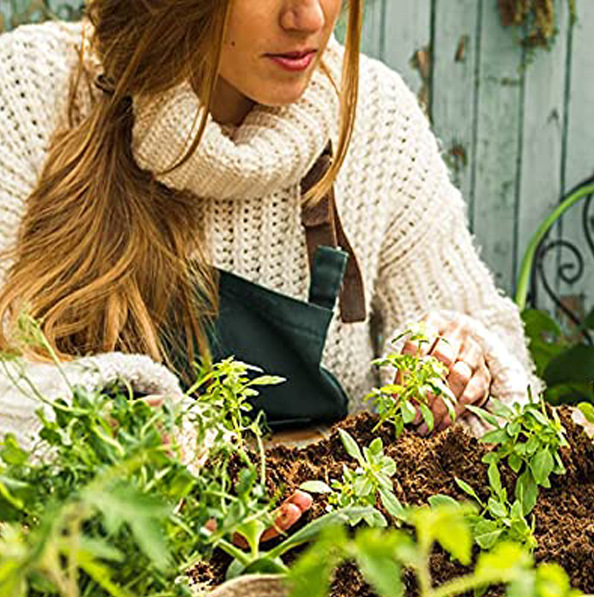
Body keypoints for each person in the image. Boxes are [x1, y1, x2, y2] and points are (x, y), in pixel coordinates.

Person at [0, 0, 540, 533]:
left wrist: (456, 364)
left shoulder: (375, 118)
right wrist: (146, 434)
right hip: (105, 585)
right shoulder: (33, 91)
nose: (308, 18)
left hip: (329, 583)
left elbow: (511, 392)